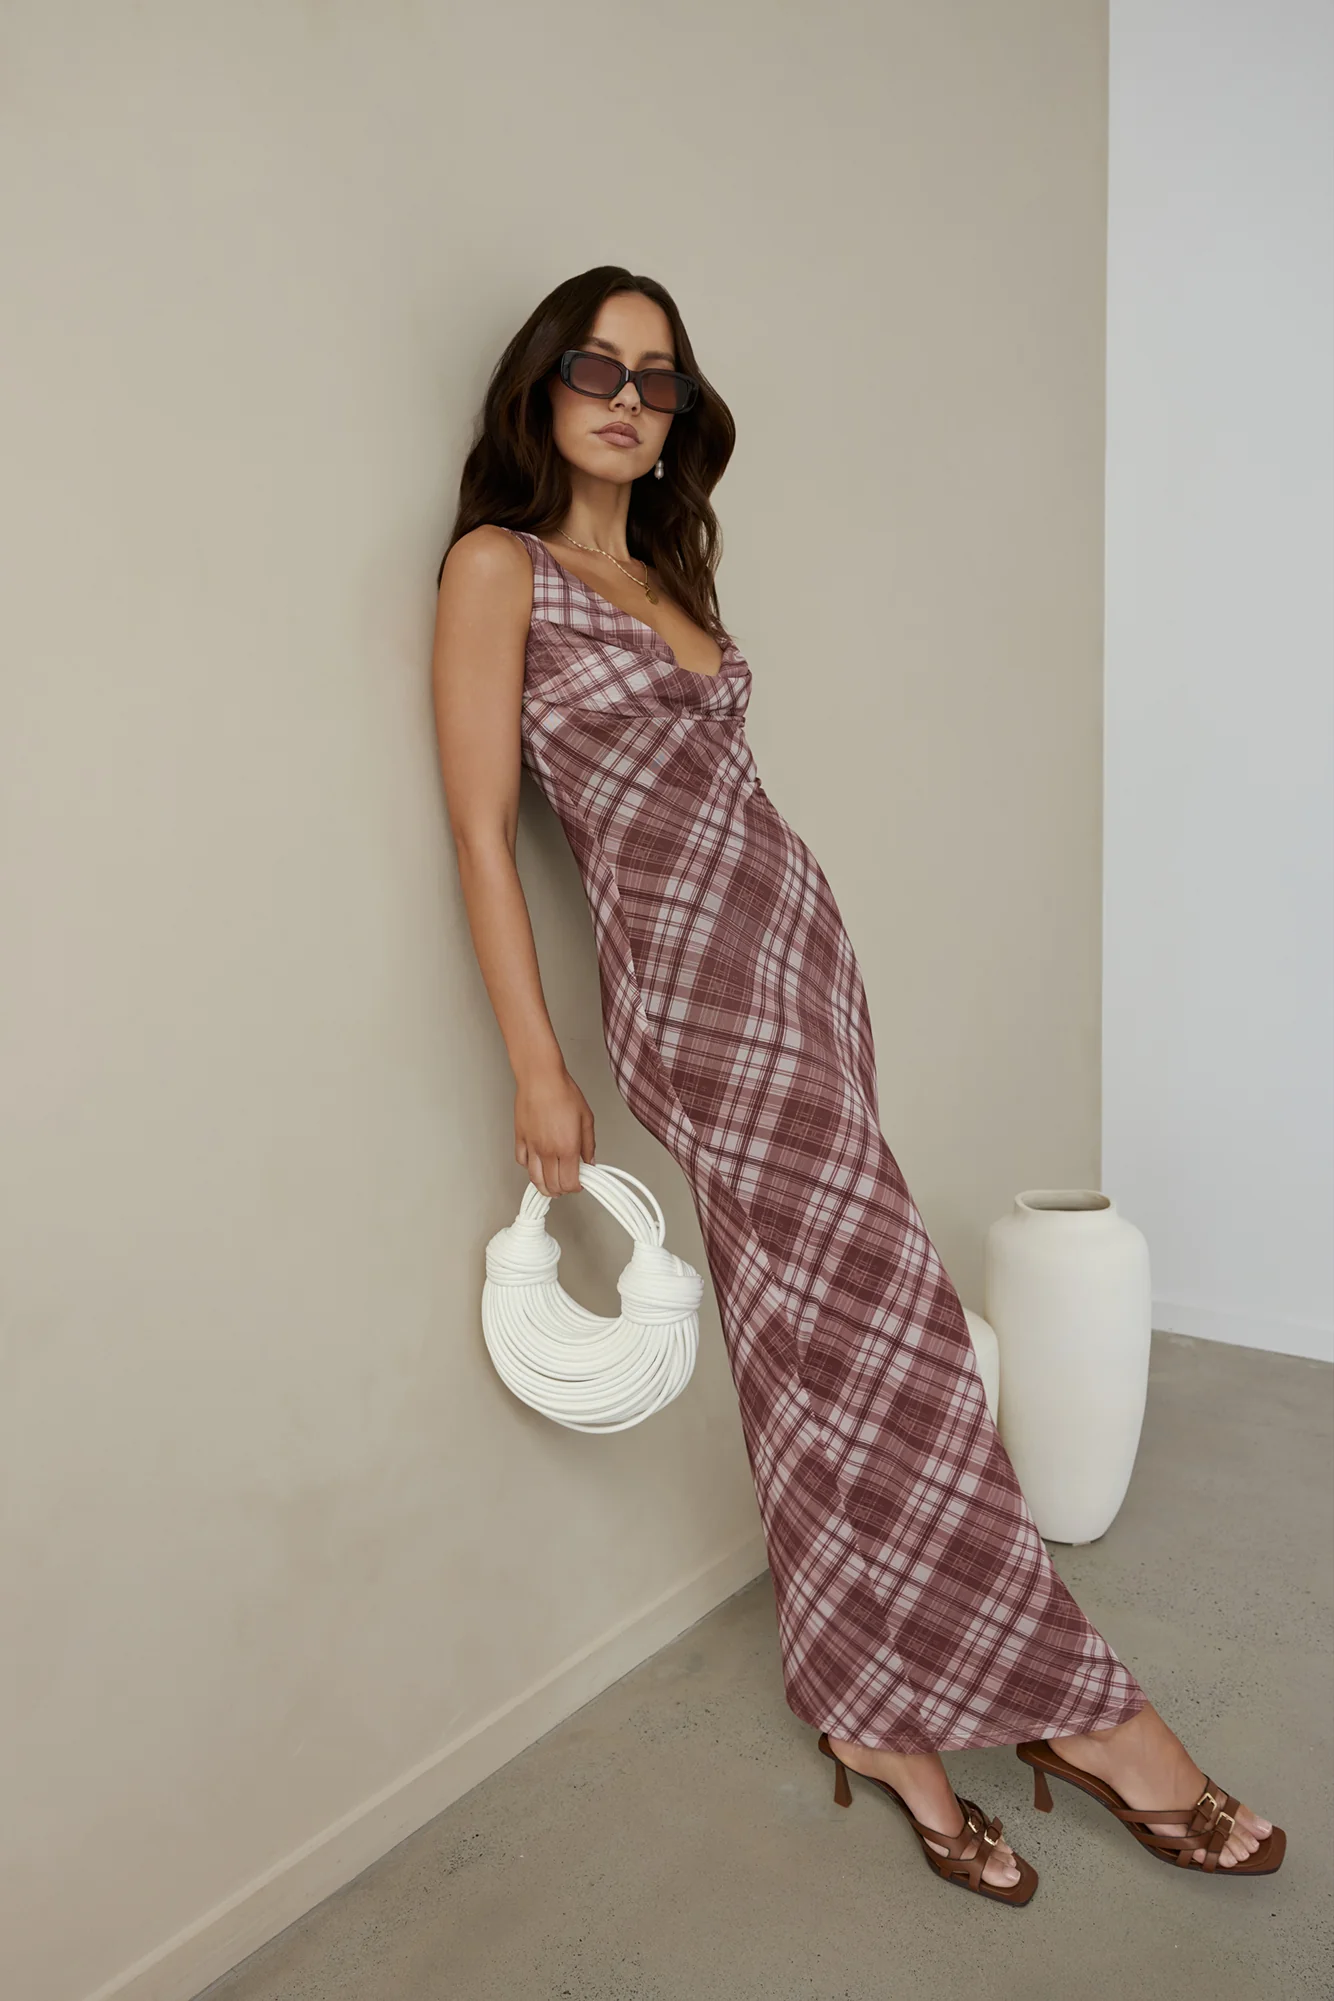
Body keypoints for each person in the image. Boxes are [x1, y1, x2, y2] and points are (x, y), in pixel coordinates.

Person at [430, 265, 1282, 1902]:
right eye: (595, 367)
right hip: (700, 1007)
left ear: (678, 415)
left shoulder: (665, 570)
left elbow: (729, 800)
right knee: (902, 1353)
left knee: (817, 1357)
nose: (626, 399)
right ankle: (1087, 1714)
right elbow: (480, 834)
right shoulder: (497, 569)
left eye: (658, 378)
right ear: (539, 387)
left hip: (804, 972)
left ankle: (872, 1715)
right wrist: (539, 1068)